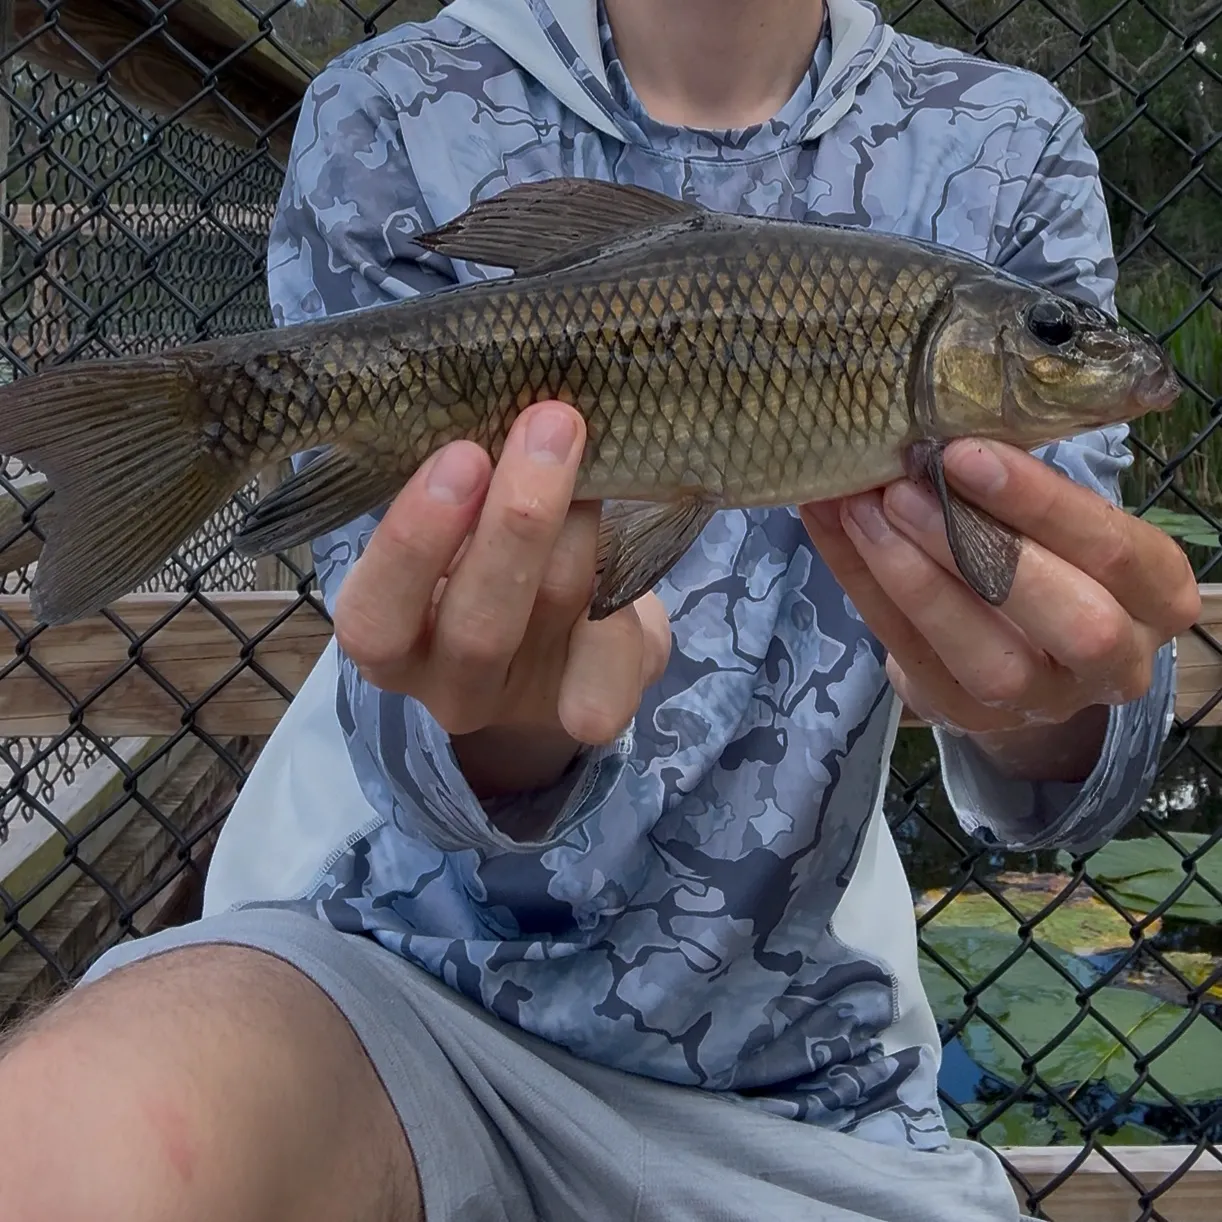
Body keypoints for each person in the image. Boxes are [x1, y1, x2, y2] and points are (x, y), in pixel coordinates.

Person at [1, 1, 1200, 1219]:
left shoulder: (1008, 141)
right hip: (401, 1005)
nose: (1082, 357)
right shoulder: (388, 111)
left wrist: (1048, 697)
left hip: (811, 1085)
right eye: (1053, 341)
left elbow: (1080, 705)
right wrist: (497, 725)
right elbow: (389, 697)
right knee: (65, 1144)